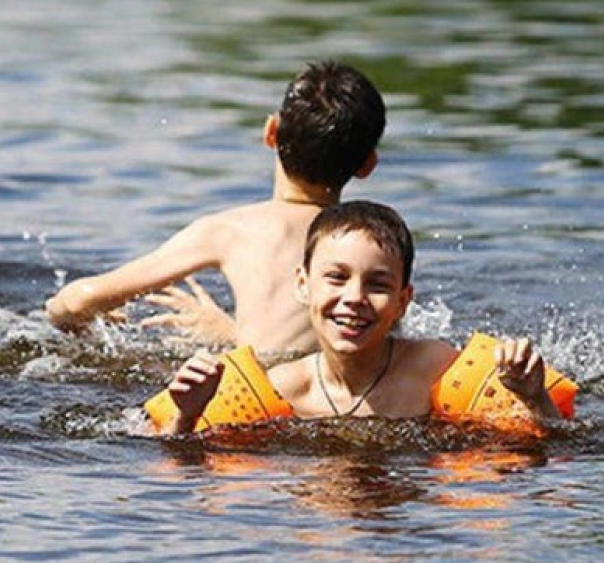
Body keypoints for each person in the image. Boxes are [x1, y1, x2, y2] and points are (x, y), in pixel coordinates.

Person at [45, 61, 386, 356]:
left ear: (270, 132)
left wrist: (229, 336)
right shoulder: (374, 245)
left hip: (255, 395)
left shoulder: (230, 231)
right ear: (367, 165)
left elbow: (75, 302)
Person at [161, 201, 564, 434]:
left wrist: (534, 397)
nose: (354, 298)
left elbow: (549, 450)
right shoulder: (282, 391)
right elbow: (181, 475)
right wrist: (187, 414)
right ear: (303, 285)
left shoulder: (436, 373)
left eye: (377, 284)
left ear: (403, 300)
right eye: (336, 278)